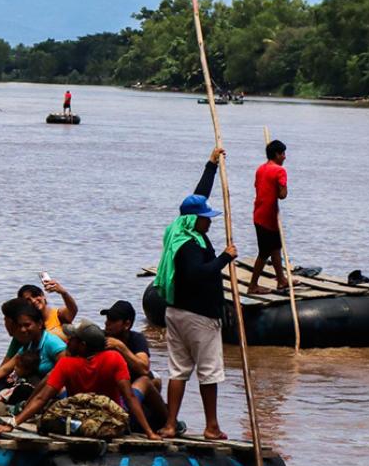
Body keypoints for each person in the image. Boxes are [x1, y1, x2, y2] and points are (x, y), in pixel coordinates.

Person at [152, 147, 236, 440]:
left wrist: (211, 166)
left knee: (179, 369)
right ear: (194, 221)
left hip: (175, 312)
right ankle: (211, 427)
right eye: (205, 218)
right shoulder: (190, 245)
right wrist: (225, 257)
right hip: (199, 316)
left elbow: (196, 198)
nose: (209, 220)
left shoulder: (178, 229)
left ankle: (171, 424)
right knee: (209, 371)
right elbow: (196, 274)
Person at [0, 320, 160, 440]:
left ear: (82, 345)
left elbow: (42, 398)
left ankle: (19, 407)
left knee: (55, 386)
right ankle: (169, 422)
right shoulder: (114, 357)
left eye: (73, 339)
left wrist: (12, 424)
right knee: (145, 381)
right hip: (110, 416)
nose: (68, 340)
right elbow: (129, 396)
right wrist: (149, 433)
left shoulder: (66, 364)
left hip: (82, 415)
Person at [0, 298, 67, 408]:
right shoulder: (29, 343)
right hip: (32, 391)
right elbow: (6, 368)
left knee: (22, 390)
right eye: (20, 326)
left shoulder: (53, 343)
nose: (23, 330)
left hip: (50, 394)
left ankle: (6, 405)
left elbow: (62, 375)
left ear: (40, 324)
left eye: (27, 325)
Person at [102, 300, 167, 423]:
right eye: (107, 319)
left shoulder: (136, 339)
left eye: (113, 321)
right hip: (114, 393)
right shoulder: (102, 337)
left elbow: (143, 368)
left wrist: (121, 347)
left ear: (127, 324)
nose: (107, 323)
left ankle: (168, 421)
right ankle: (167, 420)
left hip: (131, 390)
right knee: (147, 381)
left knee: (154, 379)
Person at [247, 139, 290, 295]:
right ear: (277, 154)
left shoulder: (260, 169)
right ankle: (252, 286)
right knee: (264, 252)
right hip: (267, 218)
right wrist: (283, 185)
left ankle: (281, 280)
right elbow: (282, 195)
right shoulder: (279, 171)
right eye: (283, 154)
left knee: (276, 248)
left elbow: (260, 187)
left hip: (259, 214)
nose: (285, 157)